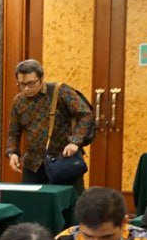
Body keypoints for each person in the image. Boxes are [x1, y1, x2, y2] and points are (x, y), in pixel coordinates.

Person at [5, 59, 94, 188]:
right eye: (21, 84)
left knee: (68, 199)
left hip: (63, 160)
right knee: (30, 199)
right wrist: (13, 152)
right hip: (33, 164)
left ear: (41, 78)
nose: (26, 88)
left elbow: (85, 114)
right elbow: (14, 130)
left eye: (31, 83)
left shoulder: (60, 91)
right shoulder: (18, 101)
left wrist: (75, 141)